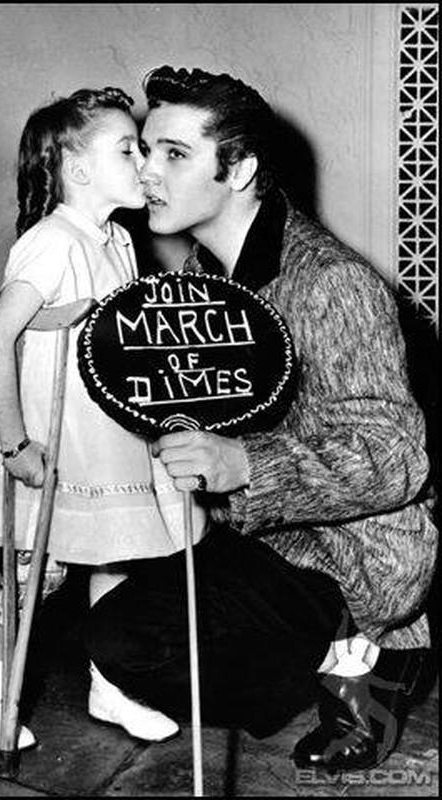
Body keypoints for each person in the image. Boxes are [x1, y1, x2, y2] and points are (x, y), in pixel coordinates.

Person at [85, 66, 439, 772]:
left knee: (151, 641)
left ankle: (384, 650)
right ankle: (306, 669)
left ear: (239, 168)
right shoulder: (195, 280)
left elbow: (398, 456)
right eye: (146, 151)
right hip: (261, 535)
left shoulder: (330, 281)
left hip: (350, 554)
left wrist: (248, 465)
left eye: (174, 155)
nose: (149, 172)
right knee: (120, 637)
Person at [0, 86, 209, 750]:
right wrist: (16, 442)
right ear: (77, 169)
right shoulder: (52, 241)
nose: (143, 162)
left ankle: (111, 684)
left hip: (106, 426)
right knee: (33, 570)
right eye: (127, 149)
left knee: (121, 552)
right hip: (48, 423)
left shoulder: (121, 242)